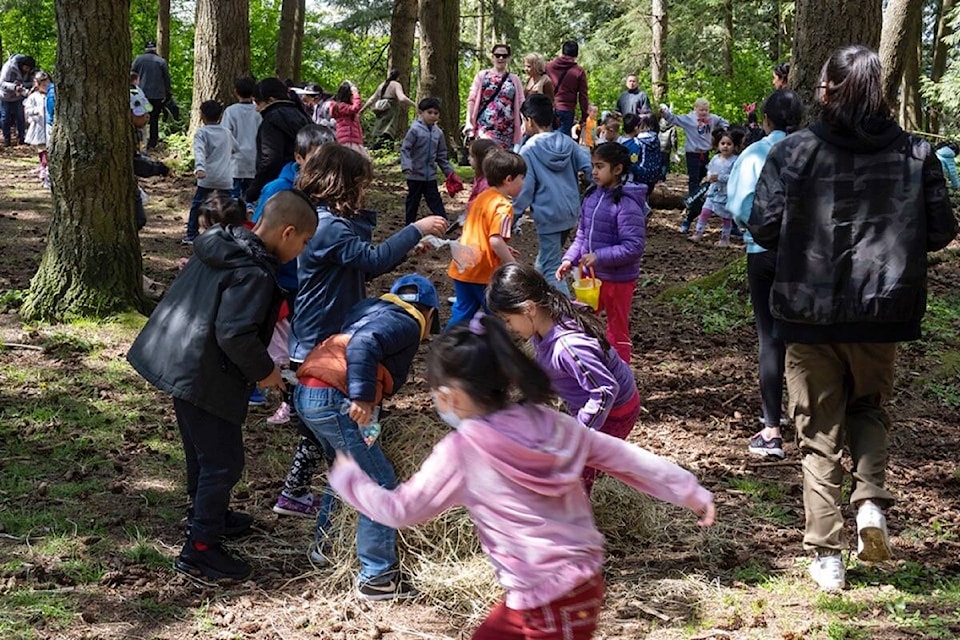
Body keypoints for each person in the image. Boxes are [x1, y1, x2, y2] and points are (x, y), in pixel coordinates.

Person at [328, 313, 716, 639]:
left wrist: (350, 479)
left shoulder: (464, 450)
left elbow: (402, 510)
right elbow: (625, 458)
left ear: (454, 396)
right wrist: (688, 489)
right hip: (575, 586)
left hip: (546, 597)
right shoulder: (551, 423)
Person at [748, 45, 957, 592]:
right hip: (880, 312)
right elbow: (942, 230)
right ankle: (869, 507)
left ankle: (827, 554)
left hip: (807, 312)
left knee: (817, 433)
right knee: (868, 410)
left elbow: (761, 225)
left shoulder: (794, 152)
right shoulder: (916, 154)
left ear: (828, 89)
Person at [127, 191, 318, 581]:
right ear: (287, 232)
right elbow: (234, 333)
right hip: (203, 372)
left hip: (183, 360)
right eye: (304, 242)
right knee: (224, 461)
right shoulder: (253, 272)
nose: (302, 251)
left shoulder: (224, 243)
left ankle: (207, 516)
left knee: (204, 453)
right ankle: (200, 549)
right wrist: (267, 372)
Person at [276, 145, 447, 518]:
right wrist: (415, 228)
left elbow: (362, 268)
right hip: (320, 343)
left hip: (321, 338)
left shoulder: (325, 223)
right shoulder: (329, 226)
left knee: (324, 435)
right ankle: (323, 498)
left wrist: (404, 250)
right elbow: (371, 258)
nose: (364, 193)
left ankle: (316, 499)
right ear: (344, 184)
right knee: (331, 433)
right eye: (361, 185)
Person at [294, 273, 440, 600]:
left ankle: (326, 546)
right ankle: (377, 575)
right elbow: (364, 345)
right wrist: (360, 397)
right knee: (379, 482)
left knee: (345, 471)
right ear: (429, 313)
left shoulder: (368, 310)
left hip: (309, 393)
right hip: (336, 399)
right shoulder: (406, 322)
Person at [488, 262, 641, 494]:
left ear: (528, 308)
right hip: (590, 407)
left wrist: (578, 436)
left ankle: (574, 521)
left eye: (508, 319)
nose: (508, 327)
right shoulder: (543, 330)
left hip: (614, 413)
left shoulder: (568, 347)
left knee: (574, 472)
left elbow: (604, 391)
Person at [727, 89, 804, 461]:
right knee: (807, 338)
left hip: (763, 253)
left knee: (770, 338)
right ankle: (813, 426)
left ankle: (772, 430)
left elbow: (738, 204)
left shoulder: (754, 153)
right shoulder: (813, 151)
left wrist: (753, 230)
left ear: (766, 120)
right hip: (808, 257)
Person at [556, 142, 646, 362]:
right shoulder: (591, 197)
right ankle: (588, 364)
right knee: (583, 321)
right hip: (591, 278)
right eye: (593, 166)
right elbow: (582, 236)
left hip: (618, 280)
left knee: (617, 329)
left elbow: (633, 246)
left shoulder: (626, 204)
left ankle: (621, 371)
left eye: (600, 166)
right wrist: (570, 259)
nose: (594, 171)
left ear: (617, 169)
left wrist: (600, 256)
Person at [513, 93, 593, 297]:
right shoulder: (568, 142)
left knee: (550, 269)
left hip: (549, 215)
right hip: (570, 213)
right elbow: (590, 168)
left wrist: (512, 216)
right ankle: (538, 303)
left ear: (529, 121)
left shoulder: (529, 150)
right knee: (545, 262)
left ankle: (568, 314)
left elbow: (526, 188)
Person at [447, 149, 525, 329]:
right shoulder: (504, 206)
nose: (524, 183)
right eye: (522, 178)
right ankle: (499, 351)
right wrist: (513, 266)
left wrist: (504, 248)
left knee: (462, 311)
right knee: (497, 314)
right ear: (509, 179)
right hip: (483, 272)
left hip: (463, 264)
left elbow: (479, 231)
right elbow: (495, 241)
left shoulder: (483, 197)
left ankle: (446, 345)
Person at [660, 98, 729, 232]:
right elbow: (674, 119)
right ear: (695, 109)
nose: (704, 113)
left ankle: (700, 199)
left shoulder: (712, 119)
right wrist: (664, 113)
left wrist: (724, 129)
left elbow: (723, 121)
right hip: (693, 154)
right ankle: (692, 205)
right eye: (701, 110)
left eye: (706, 110)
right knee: (694, 181)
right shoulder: (689, 119)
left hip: (706, 154)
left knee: (706, 178)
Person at [245, 77, 312, 206]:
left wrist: (253, 190)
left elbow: (271, 159)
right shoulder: (302, 115)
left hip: (279, 186)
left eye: (258, 103)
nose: (257, 109)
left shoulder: (271, 119)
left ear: (270, 100)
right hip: (304, 181)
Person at [400, 97, 462, 224]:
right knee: (413, 200)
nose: (433, 116)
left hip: (430, 176)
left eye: (436, 113)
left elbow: (441, 155)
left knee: (435, 199)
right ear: (421, 113)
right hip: (415, 175)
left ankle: (444, 222)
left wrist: (450, 173)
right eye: (429, 112)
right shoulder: (414, 130)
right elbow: (405, 149)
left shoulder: (438, 133)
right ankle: (409, 224)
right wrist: (407, 165)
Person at [182, 100, 236, 245]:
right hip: (226, 178)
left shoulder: (202, 133)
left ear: (202, 116)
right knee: (227, 207)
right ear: (220, 116)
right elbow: (235, 149)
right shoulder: (227, 132)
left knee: (198, 205)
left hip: (207, 177)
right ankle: (228, 234)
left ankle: (192, 234)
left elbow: (199, 151)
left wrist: (200, 168)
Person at [465, 44, 525, 148]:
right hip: (485, 127)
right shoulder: (482, 76)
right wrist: (468, 121)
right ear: (492, 57)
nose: (501, 58)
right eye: (497, 55)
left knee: (503, 161)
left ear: (509, 58)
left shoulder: (514, 79)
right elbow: (472, 99)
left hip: (507, 130)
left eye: (504, 56)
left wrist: (524, 122)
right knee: (486, 156)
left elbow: (521, 102)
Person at [689, 128, 738, 247]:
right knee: (705, 211)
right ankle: (698, 233)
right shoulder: (715, 158)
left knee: (726, 217)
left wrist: (720, 177)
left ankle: (725, 239)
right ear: (718, 145)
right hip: (712, 191)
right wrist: (709, 176)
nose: (725, 146)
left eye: (729, 144)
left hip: (726, 193)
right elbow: (709, 169)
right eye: (723, 143)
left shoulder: (735, 161)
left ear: (734, 146)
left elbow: (735, 177)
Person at [222, 76, 262, 201]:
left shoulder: (230, 111)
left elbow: (225, 135)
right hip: (254, 160)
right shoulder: (259, 112)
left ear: (236, 92)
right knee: (251, 198)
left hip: (235, 161)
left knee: (232, 198)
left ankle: (233, 219)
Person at [130, 43, 171, 150]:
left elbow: (131, 75)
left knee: (138, 117)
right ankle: (152, 143)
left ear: (145, 49)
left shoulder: (138, 60)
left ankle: (138, 143)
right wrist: (168, 95)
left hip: (141, 97)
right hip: (157, 97)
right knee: (154, 119)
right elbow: (166, 80)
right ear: (155, 49)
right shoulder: (161, 61)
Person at [362, 69, 416, 149]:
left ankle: (376, 149)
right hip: (391, 111)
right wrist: (415, 105)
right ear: (398, 77)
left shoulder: (382, 85)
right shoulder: (396, 84)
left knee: (379, 131)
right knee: (388, 133)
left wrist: (362, 110)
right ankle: (382, 149)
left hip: (380, 111)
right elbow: (402, 98)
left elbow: (372, 99)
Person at [546, 40, 589, 138]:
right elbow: (583, 95)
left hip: (548, 107)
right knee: (563, 142)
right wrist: (584, 116)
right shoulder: (579, 71)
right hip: (566, 109)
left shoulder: (549, 66)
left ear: (562, 52)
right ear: (576, 54)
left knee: (547, 139)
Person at [618, 112, 661, 199]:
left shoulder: (632, 142)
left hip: (633, 176)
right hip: (647, 175)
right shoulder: (654, 139)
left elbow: (633, 161)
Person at [0, 54, 36, 147]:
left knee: (20, 118)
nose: (27, 70)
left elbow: (31, 82)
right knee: (5, 118)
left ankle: (22, 138)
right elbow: (2, 83)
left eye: (29, 68)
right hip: (5, 96)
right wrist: (14, 87)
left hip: (19, 97)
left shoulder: (30, 71)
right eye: (26, 67)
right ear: (21, 64)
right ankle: (7, 139)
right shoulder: (9, 67)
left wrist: (24, 86)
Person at [23, 71, 50, 185]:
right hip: (39, 127)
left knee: (48, 150)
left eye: (48, 85)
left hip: (49, 127)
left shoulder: (51, 96)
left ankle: (45, 169)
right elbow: (27, 110)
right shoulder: (34, 97)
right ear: (38, 85)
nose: (46, 87)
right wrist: (35, 112)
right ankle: (44, 168)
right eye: (43, 85)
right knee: (42, 150)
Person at [330, 81, 367, 158]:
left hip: (352, 140)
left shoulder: (344, 108)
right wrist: (355, 93)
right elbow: (356, 107)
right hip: (348, 140)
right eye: (352, 96)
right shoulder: (341, 107)